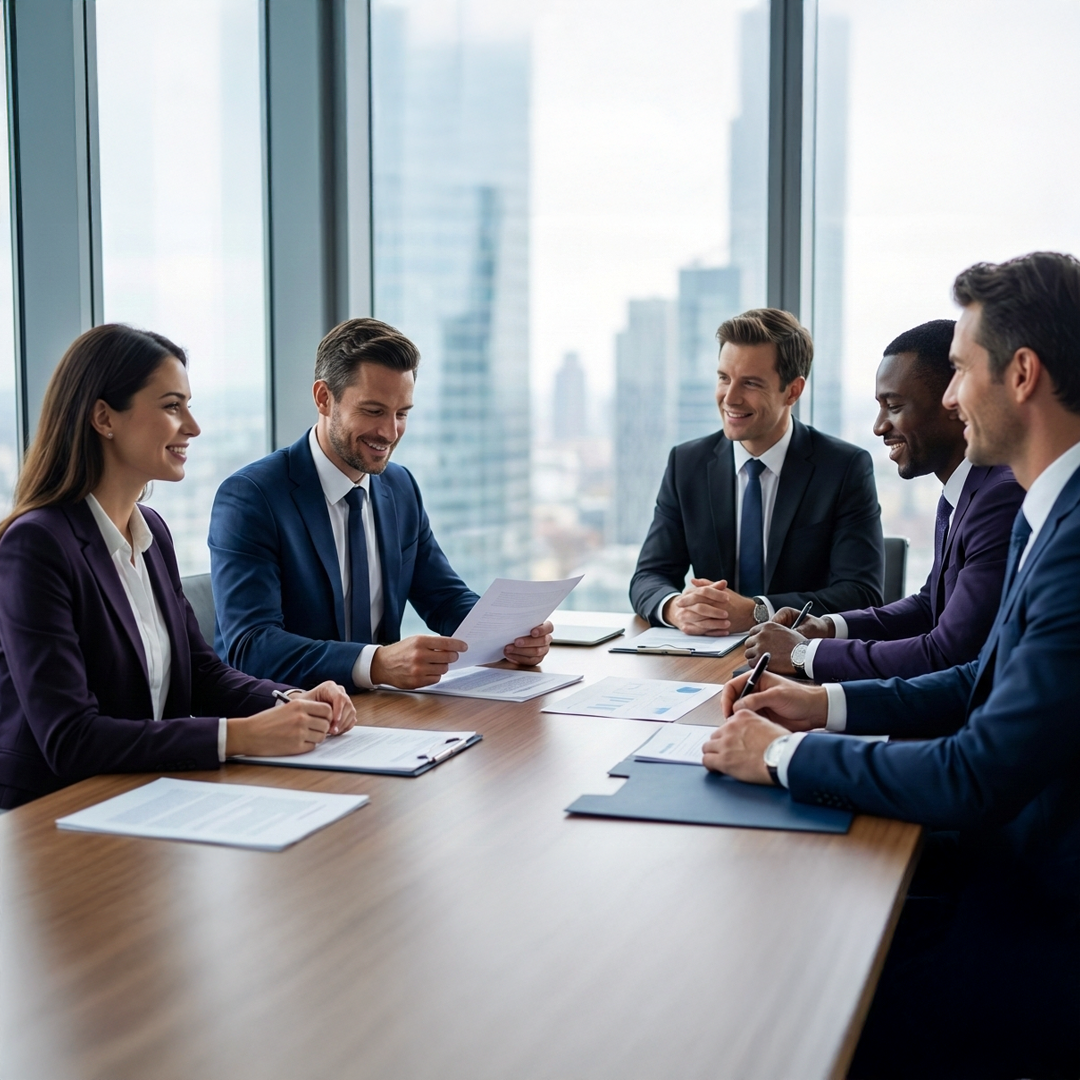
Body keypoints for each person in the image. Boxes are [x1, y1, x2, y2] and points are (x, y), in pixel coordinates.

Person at [703, 252, 1080, 1079]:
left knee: (793, 999)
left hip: (1038, 912)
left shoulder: (1068, 535)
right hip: (1010, 864)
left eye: (958, 372)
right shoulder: (1045, 515)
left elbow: (977, 772)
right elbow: (974, 682)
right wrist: (817, 705)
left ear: (1021, 375)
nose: (949, 397)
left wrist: (776, 756)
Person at [0, 325, 356, 810]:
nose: (193, 425)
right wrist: (238, 737)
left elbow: (203, 672)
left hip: (146, 795)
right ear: (104, 417)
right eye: (172, 406)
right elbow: (70, 738)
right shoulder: (36, 544)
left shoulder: (151, 531)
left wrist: (290, 699)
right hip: (57, 814)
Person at [209, 318, 552, 692]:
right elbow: (250, 646)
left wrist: (510, 636)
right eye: (373, 411)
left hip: (382, 714)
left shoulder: (399, 487)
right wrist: (377, 664)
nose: (390, 433)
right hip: (292, 716)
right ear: (324, 398)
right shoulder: (252, 497)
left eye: (402, 413)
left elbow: (443, 597)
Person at [744, 319, 1023, 679]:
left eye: (893, 406)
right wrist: (826, 627)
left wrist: (803, 654)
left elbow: (947, 652)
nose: (878, 426)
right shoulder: (962, 492)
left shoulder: (999, 497)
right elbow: (929, 607)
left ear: (953, 403)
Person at [630, 308, 884, 635]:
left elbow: (861, 593)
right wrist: (676, 608)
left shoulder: (844, 468)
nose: (730, 397)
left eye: (750, 383)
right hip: (705, 658)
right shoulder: (687, 463)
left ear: (793, 390)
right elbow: (648, 577)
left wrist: (758, 611)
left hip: (802, 663)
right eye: (724, 378)